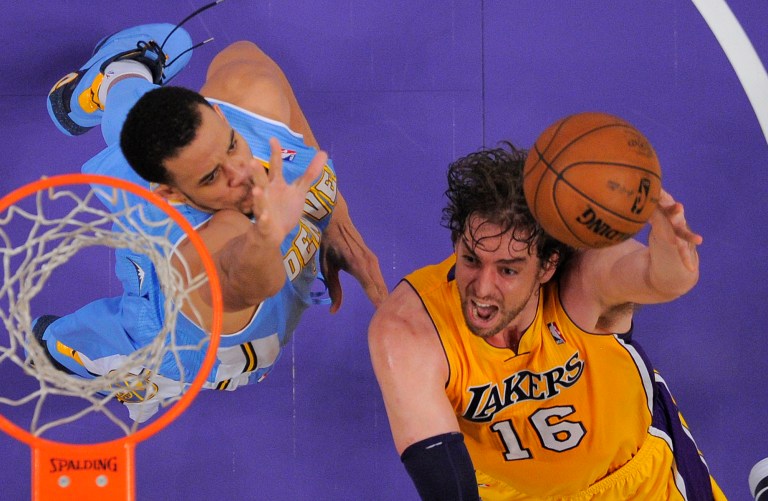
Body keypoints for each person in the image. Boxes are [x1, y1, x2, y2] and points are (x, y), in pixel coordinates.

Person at [36, 19, 387, 422]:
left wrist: (334, 213)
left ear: (222, 116)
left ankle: (123, 74)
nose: (241, 173)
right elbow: (242, 280)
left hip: (250, 337)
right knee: (60, 349)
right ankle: (118, 73)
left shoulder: (249, 97)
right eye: (211, 176)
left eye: (232, 145)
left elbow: (246, 54)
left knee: (154, 119)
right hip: (166, 350)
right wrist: (267, 234)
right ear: (171, 193)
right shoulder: (199, 251)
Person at [368, 143, 726, 500]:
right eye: (471, 260)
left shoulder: (582, 280)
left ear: (547, 266)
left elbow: (662, 277)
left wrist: (672, 250)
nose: (482, 288)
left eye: (508, 270)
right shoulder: (411, 328)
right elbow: (448, 489)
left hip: (639, 482)